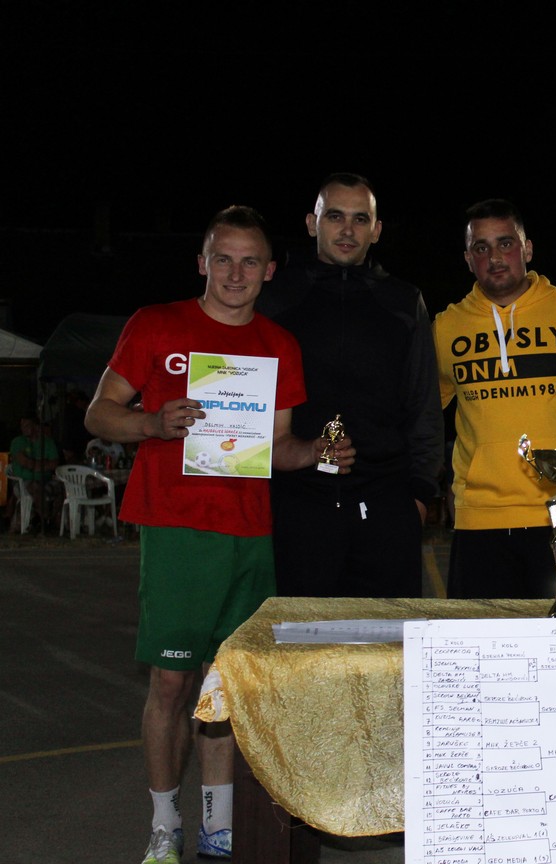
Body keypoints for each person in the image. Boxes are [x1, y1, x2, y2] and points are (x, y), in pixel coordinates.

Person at [85, 206, 355, 864]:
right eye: (223, 258)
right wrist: (151, 423)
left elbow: (278, 448)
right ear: (202, 263)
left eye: (249, 261)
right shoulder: (157, 324)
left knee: (223, 691)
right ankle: (163, 825)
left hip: (250, 531)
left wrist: (319, 453)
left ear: (269, 270)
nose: (236, 273)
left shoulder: (278, 345)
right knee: (171, 685)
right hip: (177, 529)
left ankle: (216, 827)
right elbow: (98, 413)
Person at [434, 199, 556, 599]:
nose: (494, 257)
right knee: (484, 639)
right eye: (481, 247)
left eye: (505, 243)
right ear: (468, 259)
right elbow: (422, 411)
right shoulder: (446, 327)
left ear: (527, 249)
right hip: (481, 518)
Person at [257, 173, 441, 598]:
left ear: (376, 230)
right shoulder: (274, 299)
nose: (347, 229)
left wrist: (418, 495)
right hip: (297, 503)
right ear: (312, 223)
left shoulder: (403, 301)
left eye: (360, 219)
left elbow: (424, 405)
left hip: (386, 503)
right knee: (301, 635)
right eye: (335, 216)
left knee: (385, 636)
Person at [8, 417, 58, 527]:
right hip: (23, 482)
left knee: (63, 487)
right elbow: (26, 463)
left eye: (27, 425)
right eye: (22, 426)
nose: (23, 428)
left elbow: (54, 464)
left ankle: (58, 521)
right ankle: (44, 519)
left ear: (36, 426)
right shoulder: (18, 442)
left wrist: (35, 464)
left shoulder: (48, 442)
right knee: (35, 487)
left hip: (46, 479)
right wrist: (44, 463)